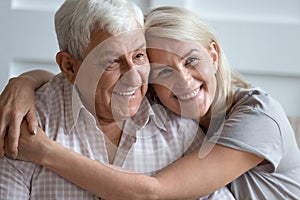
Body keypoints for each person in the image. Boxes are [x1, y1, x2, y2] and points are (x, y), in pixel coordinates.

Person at [2, 5, 300, 200]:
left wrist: (44, 151)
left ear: (213, 54)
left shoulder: (258, 119)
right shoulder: (155, 97)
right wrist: (24, 82)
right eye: (164, 71)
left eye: (139, 56)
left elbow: (152, 193)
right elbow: (74, 80)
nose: (182, 82)